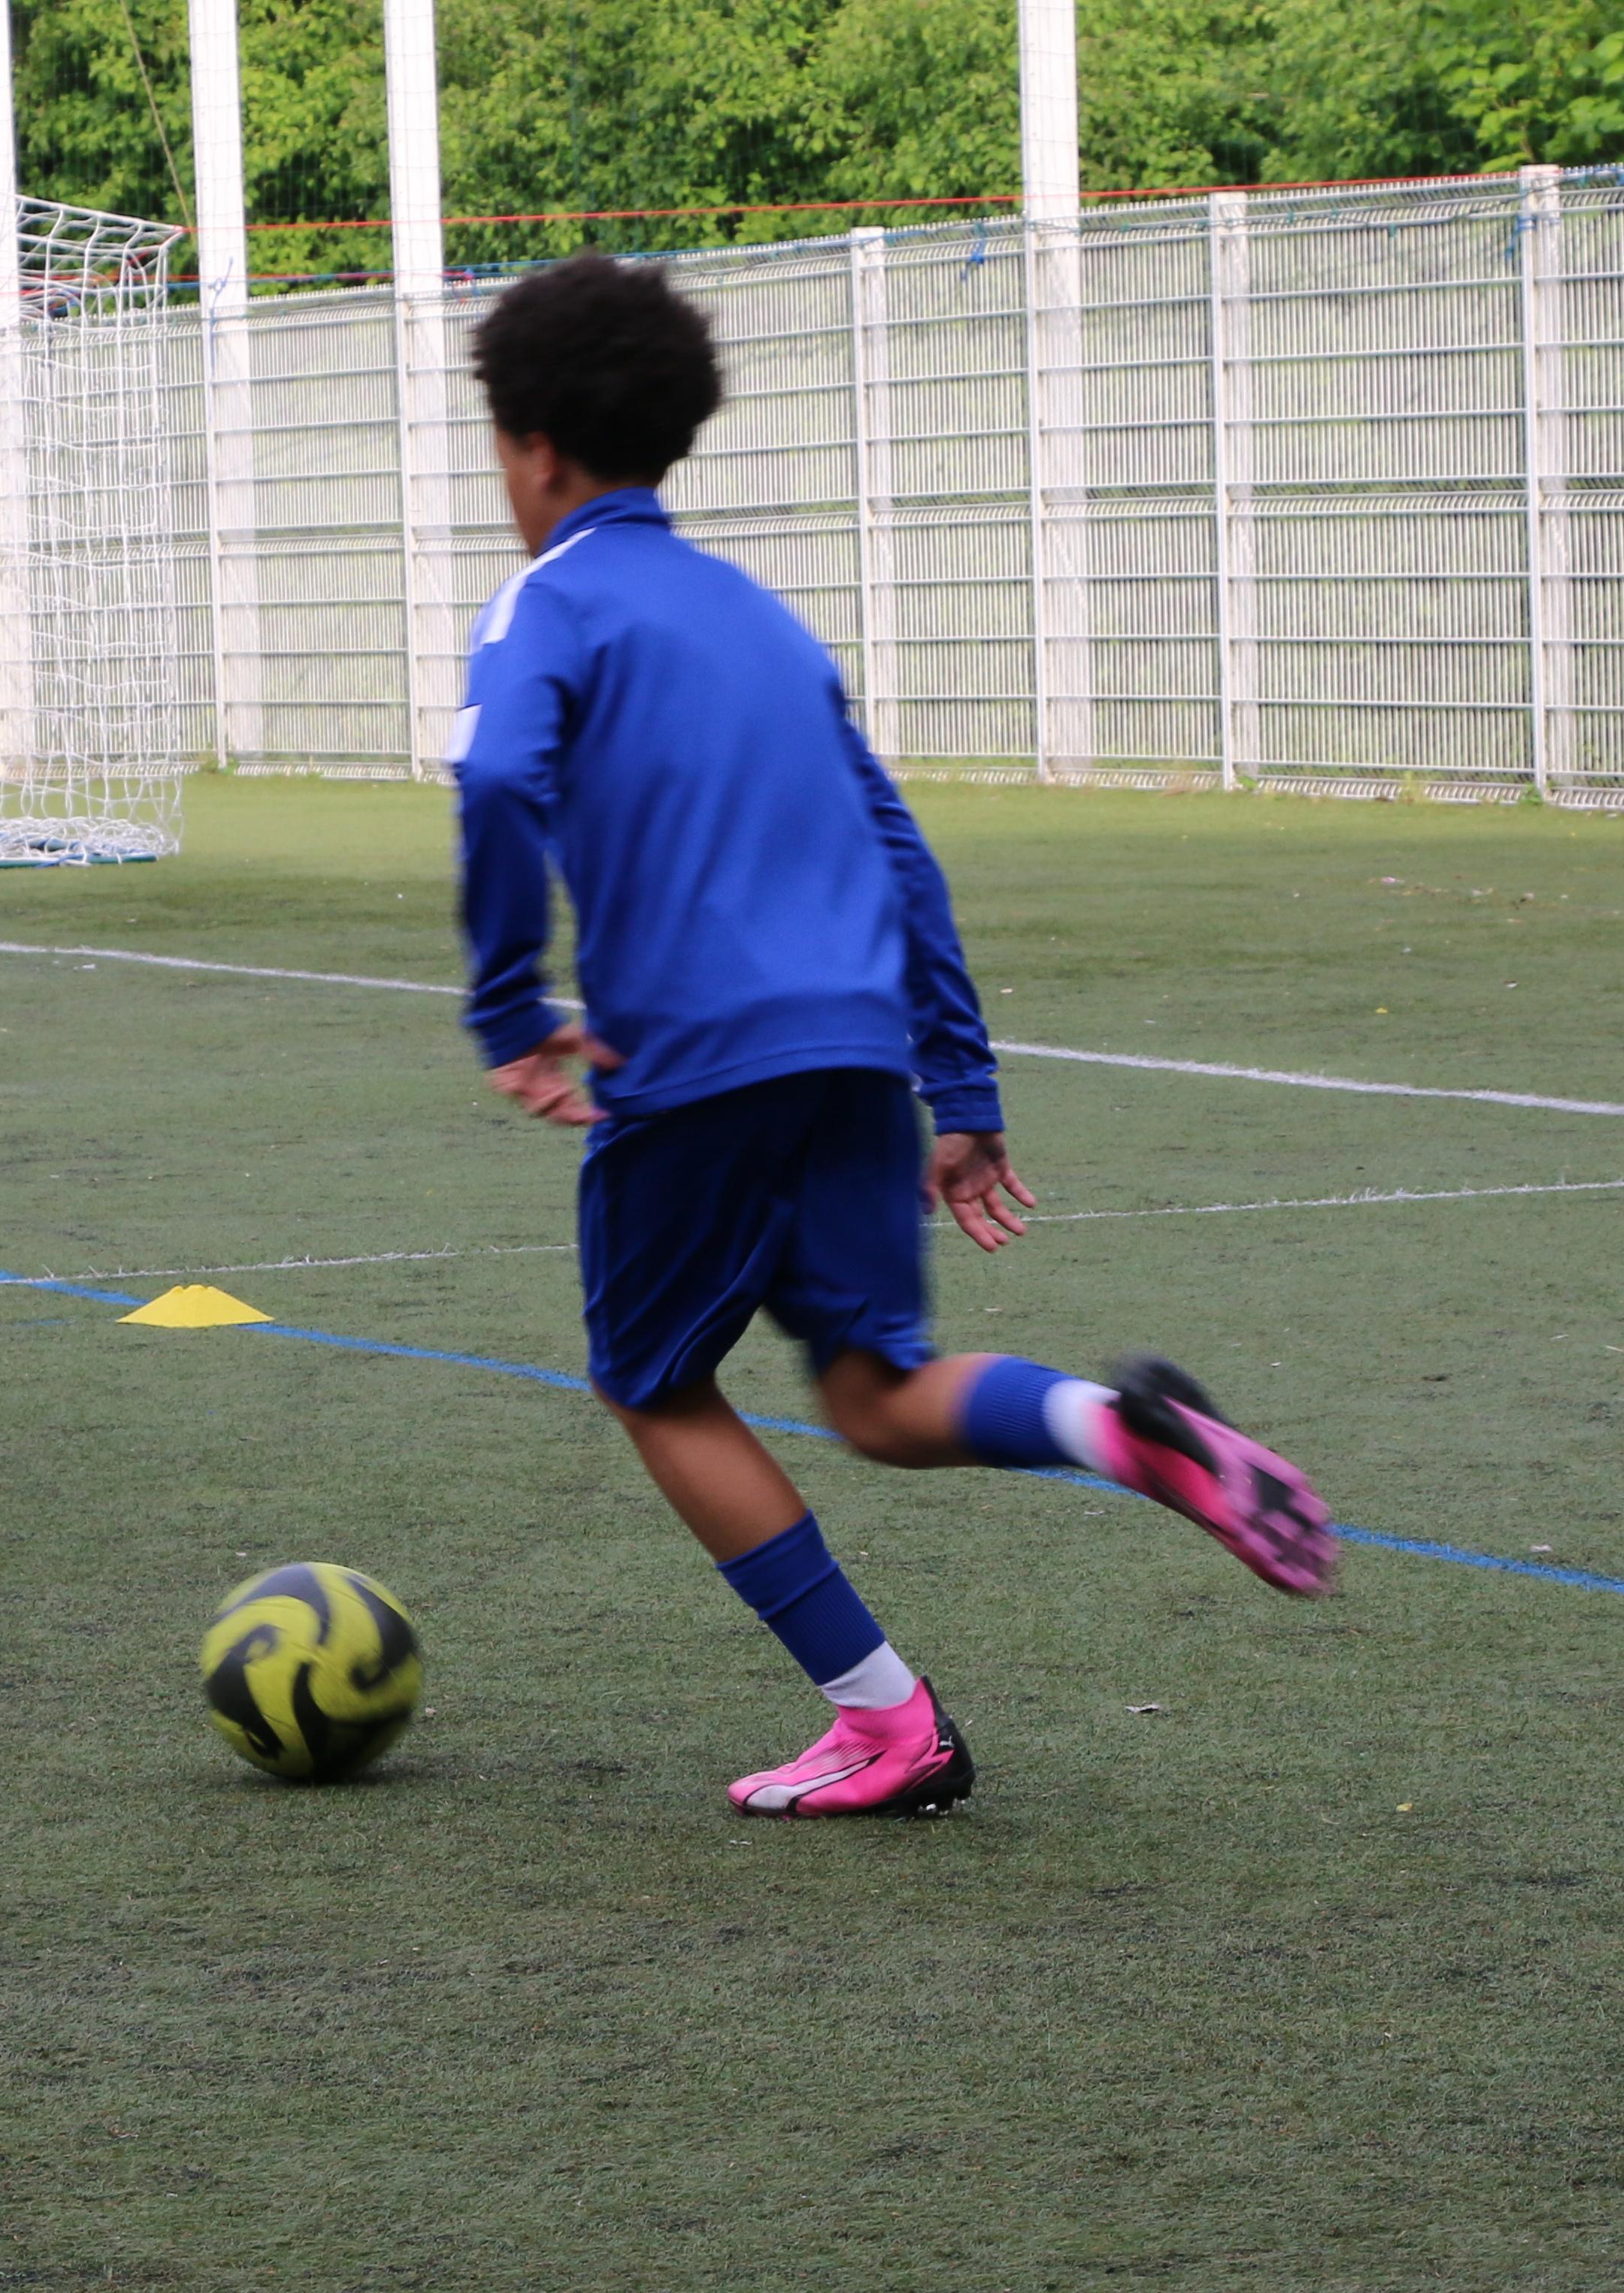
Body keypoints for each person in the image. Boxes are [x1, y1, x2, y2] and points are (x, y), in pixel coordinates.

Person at [452, 253, 1338, 1821]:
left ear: (530, 446)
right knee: (875, 1391)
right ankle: (1117, 1435)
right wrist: (961, 1080)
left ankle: (885, 1719)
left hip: (697, 1059)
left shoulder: (550, 599)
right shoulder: (764, 623)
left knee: (655, 1386)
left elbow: (502, 784)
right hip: (860, 1048)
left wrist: (513, 1007)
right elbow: (899, 848)